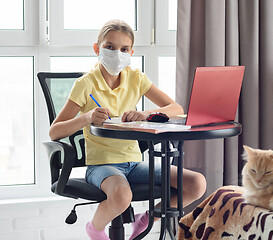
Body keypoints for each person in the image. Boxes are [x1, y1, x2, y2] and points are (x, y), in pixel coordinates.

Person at [49, 19, 207, 240]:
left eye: (124, 49)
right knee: (122, 196)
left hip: (134, 164)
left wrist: (144, 114)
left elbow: (176, 108)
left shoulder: (136, 78)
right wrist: (86, 117)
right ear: (97, 49)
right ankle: (94, 229)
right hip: (101, 166)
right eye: (110, 47)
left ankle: (148, 218)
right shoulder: (85, 84)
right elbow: (55, 132)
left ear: (131, 52)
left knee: (196, 183)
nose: (117, 53)